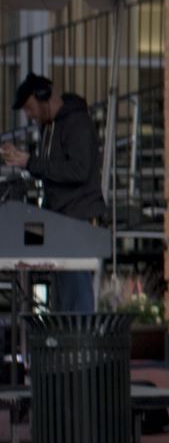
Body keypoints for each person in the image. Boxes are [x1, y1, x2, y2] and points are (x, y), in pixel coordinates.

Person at [7, 72, 108, 313]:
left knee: (77, 293)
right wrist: (29, 163)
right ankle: (66, 345)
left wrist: (31, 162)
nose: (30, 116)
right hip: (59, 217)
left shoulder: (77, 122)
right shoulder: (48, 129)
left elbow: (78, 170)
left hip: (77, 216)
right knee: (64, 295)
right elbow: (53, 171)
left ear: (44, 97)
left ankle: (80, 346)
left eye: (30, 109)